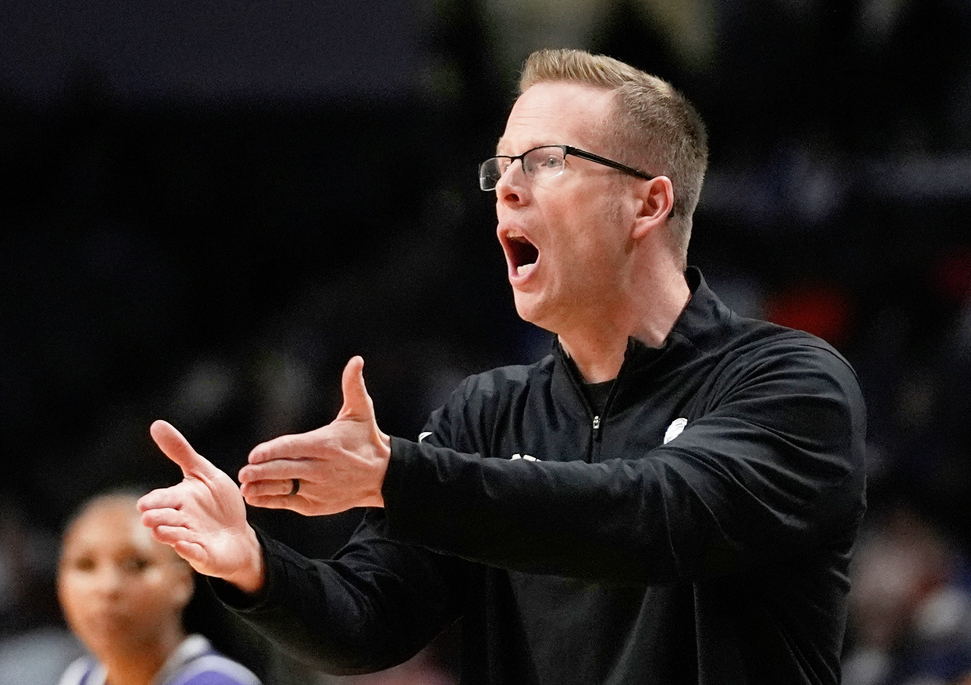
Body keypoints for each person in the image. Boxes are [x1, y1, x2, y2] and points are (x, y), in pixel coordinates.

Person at [138, 48, 867, 684]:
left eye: (546, 161)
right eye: (502, 167)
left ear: (647, 204)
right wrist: (255, 565)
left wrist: (402, 475)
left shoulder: (788, 381)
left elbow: (657, 515)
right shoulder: (486, 413)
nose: (507, 190)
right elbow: (370, 618)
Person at [57, 491, 262, 685]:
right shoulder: (79, 677)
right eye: (85, 565)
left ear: (182, 581)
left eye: (135, 565)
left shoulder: (217, 681)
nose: (108, 587)